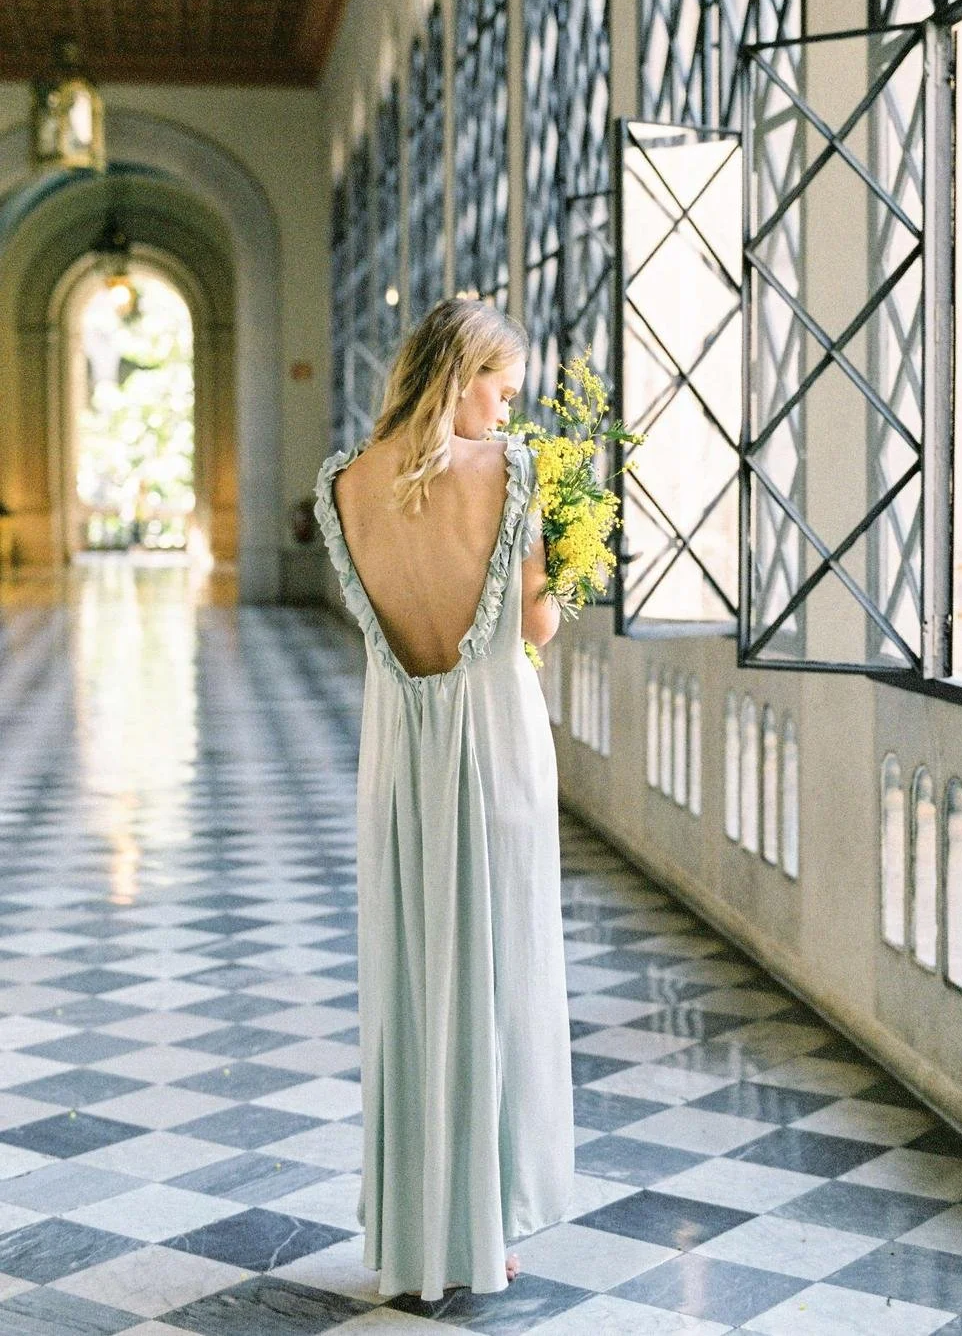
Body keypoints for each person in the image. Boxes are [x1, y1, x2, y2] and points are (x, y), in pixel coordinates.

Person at [314, 297, 575, 1302]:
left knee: (416, 982)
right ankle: (483, 1227)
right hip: (495, 748)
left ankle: (421, 1228)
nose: (507, 413)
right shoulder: (510, 474)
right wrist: (564, 571)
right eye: (500, 390)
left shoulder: (344, 482)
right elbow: (535, 628)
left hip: (397, 762)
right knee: (494, 980)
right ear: (460, 375)